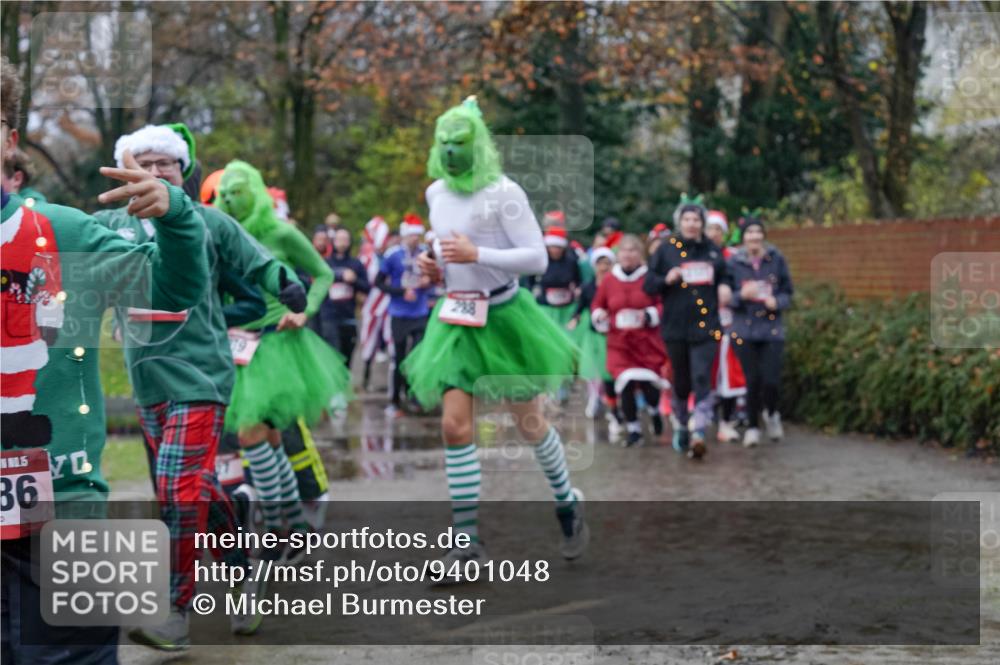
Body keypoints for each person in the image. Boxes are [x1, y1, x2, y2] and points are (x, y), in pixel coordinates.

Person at [1, 55, 207, 665]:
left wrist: (175, 219)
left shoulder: (64, 231)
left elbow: (167, 291)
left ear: (9, 141)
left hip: (64, 510)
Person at [99, 124, 311, 648]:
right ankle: (240, 566)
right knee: (190, 487)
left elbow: (257, 260)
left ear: (183, 171)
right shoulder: (109, 225)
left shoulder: (208, 221)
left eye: (164, 165)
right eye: (143, 165)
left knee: (175, 488)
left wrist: (284, 282)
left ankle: (173, 612)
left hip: (200, 372)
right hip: (147, 379)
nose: (154, 173)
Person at [402, 97, 588, 578]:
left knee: (529, 424)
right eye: (443, 144)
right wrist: (431, 262)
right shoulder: (435, 193)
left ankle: (567, 504)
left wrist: (475, 251)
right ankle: (465, 546)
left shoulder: (505, 192)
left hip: (505, 318)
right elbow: (443, 242)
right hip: (456, 320)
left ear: (478, 145)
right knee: (454, 427)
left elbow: (537, 259)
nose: (450, 152)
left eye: (459, 144)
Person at [215, 160, 351, 560]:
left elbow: (324, 273)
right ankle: (293, 523)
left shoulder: (281, 233)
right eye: (226, 192)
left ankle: (274, 530)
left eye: (239, 190)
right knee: (270, 438)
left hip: (278, 345)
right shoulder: (220, 232)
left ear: (255, 192)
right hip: (238, 346)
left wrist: (305, 309)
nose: (230, 198)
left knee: (251, 434)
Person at [643, 195, 729, 459]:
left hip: (707, 326)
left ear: (703, 223)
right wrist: (666, 279)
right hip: (676, 327)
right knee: (681, 382)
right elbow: (648, 285)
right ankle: (681, 423)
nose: (692, 224)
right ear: (679, 222)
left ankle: (699, 430)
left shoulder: (712, 251)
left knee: (703, 377)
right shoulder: (666, 250)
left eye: (696, 220)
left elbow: (726, 276)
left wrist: (725, 287)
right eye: (687, 219)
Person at [591, 235, 668, 447]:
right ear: (618, 254)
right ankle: (634, 429)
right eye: (624, 251)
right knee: (624, 383)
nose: (628, 254)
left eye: (633, 250)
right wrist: (600, 316)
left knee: (648, 385)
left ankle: (654, 411)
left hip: (646, 341)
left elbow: (662, 303)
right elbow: (598, 304)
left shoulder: (649, 277)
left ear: (640, 255)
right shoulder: (609, 280)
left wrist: (650, 314)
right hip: (620, 342)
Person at [726, 216, 794, 446]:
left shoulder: (776, 259)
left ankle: (772, 413)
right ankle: (753, 427)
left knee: (771, 380)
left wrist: (778, 301)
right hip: (743, 329)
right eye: (749, 232)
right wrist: (740, 296)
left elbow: (788, 292)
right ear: (743, 237)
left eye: (758, 232)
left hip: (771, 328)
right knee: (752, 380)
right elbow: (726, 297)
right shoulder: (733, 263)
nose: (754, 236)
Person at [375, 214, 432, 416]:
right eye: (411, 235)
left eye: (418, 236)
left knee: (417, 357)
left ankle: (415, 397)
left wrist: (428, 281)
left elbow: (437, 277)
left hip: (420, 312)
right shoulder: (393, 255)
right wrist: (401, 292)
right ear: (404, 235)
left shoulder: (426, 253)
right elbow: (379, 282)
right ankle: (395, 402)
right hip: (399, 313)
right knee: (398, 358)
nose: (415, 239)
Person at [705, 209, 746, 443]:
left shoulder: (734, 258)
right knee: (705, 375)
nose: (713, 234)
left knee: (730, 375)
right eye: (710, 229)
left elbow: (744, 287)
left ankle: (727, 421)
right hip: (702, 325)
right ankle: (701, 417)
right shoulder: (694, 256)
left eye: (718, 230)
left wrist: (733, 296)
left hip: (730, 324)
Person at [567, 247, 616, 419]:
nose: (603, 267)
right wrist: (575, 318)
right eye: (600, 263)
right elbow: (580, 307)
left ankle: (612, 403)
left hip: (613, 335)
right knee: (592, 370)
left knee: (610, 371)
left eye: (607, 263)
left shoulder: (616, 284)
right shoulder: (588, 287)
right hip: (594, 335)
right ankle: (595, 398)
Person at [321, 226, 370, 363]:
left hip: (349, 317)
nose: (342, 243)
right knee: (333, 357)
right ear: (333, 241)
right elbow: (316, 282)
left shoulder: (355, 264)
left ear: (349, 242)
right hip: (329, 317)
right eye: (339, 239)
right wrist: (339, 276)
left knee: (347, 357)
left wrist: (354, 280)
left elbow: (367, 287)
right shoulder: (325, 263)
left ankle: (346, 384)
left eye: (345, 239)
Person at [531, 226, 581, 330]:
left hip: (566, 308)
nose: (555, 250)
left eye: (558, 247)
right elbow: (529, 281)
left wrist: (578, 289)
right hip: (546, 306)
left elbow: (578, 280)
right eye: (552, 247)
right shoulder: (541, 261)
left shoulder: (571, 261)